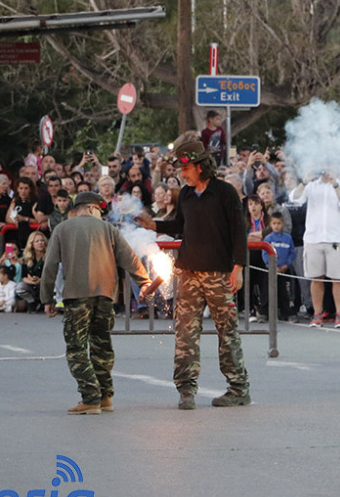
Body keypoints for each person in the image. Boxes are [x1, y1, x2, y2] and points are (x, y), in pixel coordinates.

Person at [136, 138, 250, 410]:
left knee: (227, 332)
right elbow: (180, 225)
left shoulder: (225, 192)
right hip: (188, 272)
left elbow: (239, 232)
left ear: (199, 166)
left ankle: (238, 389)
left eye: (185, 169)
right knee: (185, 333)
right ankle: (186, 390)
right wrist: (154, 225)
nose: (182, 174)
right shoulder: (186, 194)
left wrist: (238, 268)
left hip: (219, 273)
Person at [41, 192, 151, 415]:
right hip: (105, 295)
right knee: (102, 346)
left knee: (77, 348)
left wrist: (47, 299)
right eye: (100, 211)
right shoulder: (109, 230)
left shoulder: (62, 229)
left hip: (77, 296)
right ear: (91, 208)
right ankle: (104, 396)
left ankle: (90, 397)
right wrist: (145, 282)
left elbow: (50, 266)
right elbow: (129, 258)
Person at [289, 169, 340, 328]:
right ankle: (317, 314)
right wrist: (304, 182)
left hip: (336, 239)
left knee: (338, 279)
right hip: (314, 238)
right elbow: (294, 198)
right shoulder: (311, 186)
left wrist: (335, 185)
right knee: (316, 278)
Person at [262, 212, 296, 321]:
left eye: (278, 223)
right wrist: (272, 266)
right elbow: (265, 254)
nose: (276, 226)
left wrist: (286, 264)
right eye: (274, 223)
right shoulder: (268, 238)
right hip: (271, 270)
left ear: (283, 224)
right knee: (267, 291)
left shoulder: (288, 238)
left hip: (283, 270)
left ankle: (285, 312)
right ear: (270, 224)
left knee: (284, 292)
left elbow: (292, 253)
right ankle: (265, 312)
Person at [15, 231, 47, 311]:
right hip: (32, 284)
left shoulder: (49, 256)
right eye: (37, 241)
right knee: (19, 287)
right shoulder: (27, 257)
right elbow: (24, 277)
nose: (40, 243)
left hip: (46, 283)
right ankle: (32, 301)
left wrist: (40, 280)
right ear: (32, 244)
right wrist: (32, 281)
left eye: (42, 240)